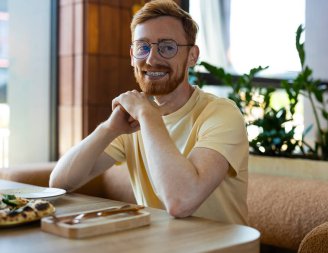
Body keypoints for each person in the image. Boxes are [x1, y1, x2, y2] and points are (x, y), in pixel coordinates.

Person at [50, 0, 249, 225]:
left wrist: (147, 114)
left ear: (192, 56)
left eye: (167, 47)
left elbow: (181, 201)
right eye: (142, 47)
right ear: (132, 55)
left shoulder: (221, 114)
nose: (152, 59)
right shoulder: (132, 120)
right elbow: (60, 182)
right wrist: (108, 128)